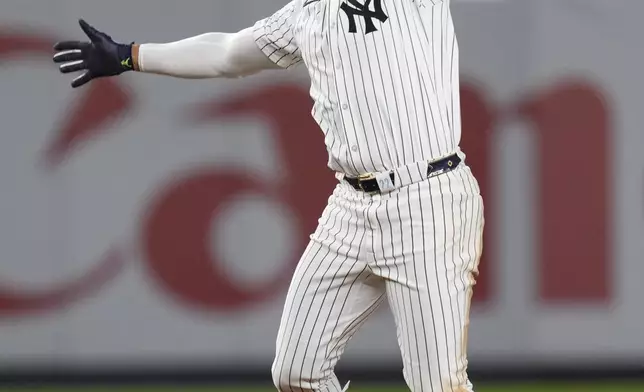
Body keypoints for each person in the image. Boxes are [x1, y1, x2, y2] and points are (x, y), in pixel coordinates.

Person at [53, 1, 484, 391]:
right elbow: (225, 55)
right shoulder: (302, 15)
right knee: (297, 373)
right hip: (352, 207)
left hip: (428, 199)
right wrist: (131, 55)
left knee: (439, 385)